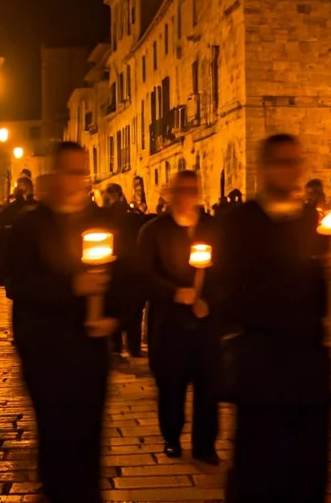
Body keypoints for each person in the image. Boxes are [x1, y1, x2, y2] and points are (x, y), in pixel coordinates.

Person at [217, 134, 331, 502]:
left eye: (296, 162)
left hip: (309, 367)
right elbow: (228, 294)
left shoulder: (309, 220)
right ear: (266, 168)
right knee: (259, 471)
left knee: (307, 473)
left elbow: (321, 291)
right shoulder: (240, 223)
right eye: (284, 162)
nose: (292, 171)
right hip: (262, 367)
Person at [12, 142, 121, 502]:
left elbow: (125, 278)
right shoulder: (31, 225)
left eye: (83, 173)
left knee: (89, 434)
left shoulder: (102, 223)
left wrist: (113, 316)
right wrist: (73, 285)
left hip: (90, 351)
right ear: (57, 176)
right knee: (56, 435)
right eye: (71, 172)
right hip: (46, 350)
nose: (79, 180)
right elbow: (19, 283)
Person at [138, 170, 222, 465]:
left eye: (192, 190)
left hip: (205, 323)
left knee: (208, 385)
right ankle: (171, 437)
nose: (187, 196)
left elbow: (227, 272)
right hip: (169, 323)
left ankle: (205, 444)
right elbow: (143, 275)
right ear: (170, 194)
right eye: (181, 190)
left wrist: (209, 300)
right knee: (170, 384)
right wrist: (175, 293)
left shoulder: (213, 228)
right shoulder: (153, 231)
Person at [101, 183, 147, 359]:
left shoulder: (104, 217)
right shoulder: (133, 217)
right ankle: (133, 347)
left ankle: (116, 346)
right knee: (133, 311)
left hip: (112, 270)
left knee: (114, 309)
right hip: (131, 271)